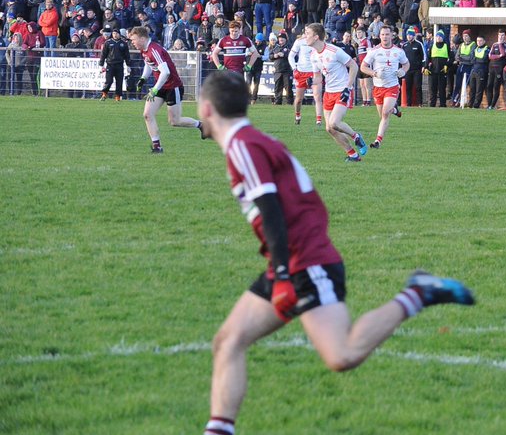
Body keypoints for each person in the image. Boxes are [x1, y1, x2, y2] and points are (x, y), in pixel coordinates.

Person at [196, 71, 474, 435]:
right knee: (229, 340)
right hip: (290, 259)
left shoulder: (241, 146)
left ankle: (418, 292)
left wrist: (282, 274)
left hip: (303, 263)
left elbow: (272, 209)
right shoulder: (252, 140)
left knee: (341, 355)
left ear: (206, 109)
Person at [128, 26, 204, 153]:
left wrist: (154, 90)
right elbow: (148, 63)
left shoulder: (154, 50)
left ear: (142, 38)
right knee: (147, 114)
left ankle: (201, 125)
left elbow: (166, 73)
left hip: (172, 87)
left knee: (175, 121)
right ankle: (157, 146)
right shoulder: (144, 49)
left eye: (133, 40)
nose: (132, 42)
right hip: (160, 86)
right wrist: (143, 78)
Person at [303, 23, 369, 162]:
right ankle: (353, 155)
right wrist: (311, 81)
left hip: (342, 90)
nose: (305, 36)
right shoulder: (313, 55)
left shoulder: (334, 51)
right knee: (330, 129)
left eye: (307, 34)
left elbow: (354, 66)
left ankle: (356, 136)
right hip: (329, 92)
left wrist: (348, 87)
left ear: (316, 37)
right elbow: (319, 78)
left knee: (334, 123)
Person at [359, 24, 407, 149]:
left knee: (385, 113)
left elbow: (406, 64)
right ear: (379, 36)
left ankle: (377, 141)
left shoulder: (398, 51)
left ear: (392, 35)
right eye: (382, 34)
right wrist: (374, 73)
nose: (385, 37)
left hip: (392, 86)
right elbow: (363, 67)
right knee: (383, 116)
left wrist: (403, 71)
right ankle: (395, 110)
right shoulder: (374, 51)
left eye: (387, 34)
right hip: (378, 87)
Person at [288, 28, 324, 126]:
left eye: (310, 32)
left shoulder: (318, 42)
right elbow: (291, 56)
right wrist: (294, 69)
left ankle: (319, 120)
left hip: (314, 72)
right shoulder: (299, 41)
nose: (307, 34)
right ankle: (297, 116)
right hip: (301, 72)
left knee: (317, 96)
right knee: (299, 99)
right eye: (306, 32)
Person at [98, 27, 129, 101]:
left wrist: (128, 65)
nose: (115, 35)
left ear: (119, 34)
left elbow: (127, 55)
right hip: (110, 64)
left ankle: (118, 96)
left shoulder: (123, 43)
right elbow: (103, 54)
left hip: (120, 65)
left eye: (116, 33)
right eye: (114, 33)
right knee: (109, 81)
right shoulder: (108, 42)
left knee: (119, 81)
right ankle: (104, 94)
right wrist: (101, 65)